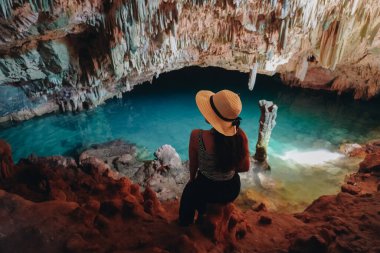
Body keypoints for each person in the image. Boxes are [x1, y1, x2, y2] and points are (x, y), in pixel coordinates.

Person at [179, 89, 250, 226]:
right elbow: (245, 167)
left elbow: (193, 166)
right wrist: (227, 167)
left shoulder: (197, 136)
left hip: (207, 190)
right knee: (204, 190)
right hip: (231, 189)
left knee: (189, 194)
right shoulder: (241, 137)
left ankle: (185, 223)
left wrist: (192, 181)